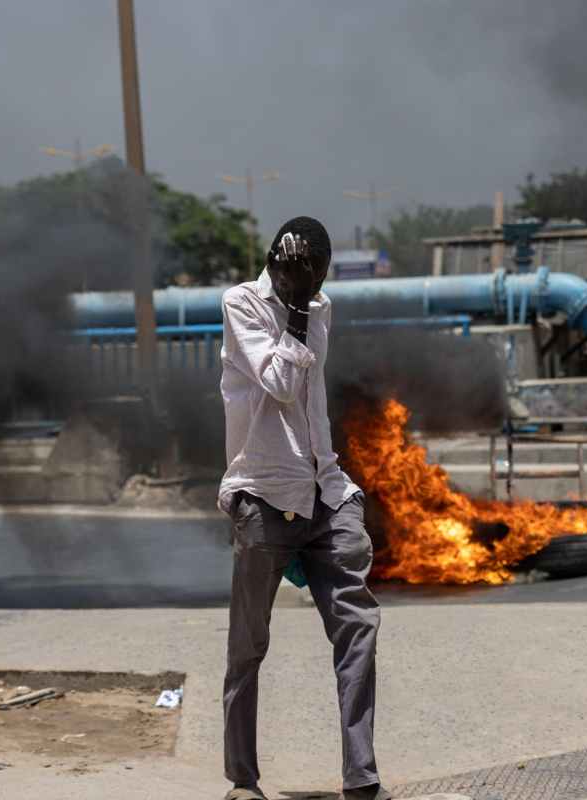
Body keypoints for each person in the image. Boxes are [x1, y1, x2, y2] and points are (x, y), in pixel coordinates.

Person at [217, 216, 390, 800]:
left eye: (321, 278)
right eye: (307, 275)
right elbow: (279, 383)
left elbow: (310, 403)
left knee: (358, 627)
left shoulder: (320, 307)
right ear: (282, 264)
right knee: (249, 645)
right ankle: (243, 782)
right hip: (264, 493)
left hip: (325, 491)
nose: (315, 287)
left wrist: (306, 304)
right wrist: (291, 307)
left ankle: (361, 779)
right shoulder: (241, 303)